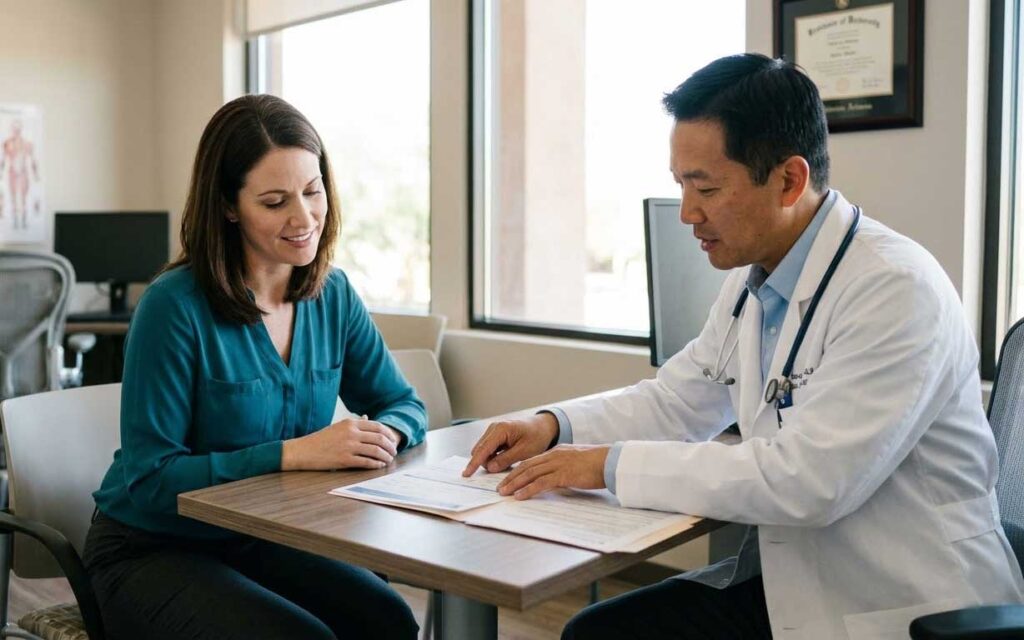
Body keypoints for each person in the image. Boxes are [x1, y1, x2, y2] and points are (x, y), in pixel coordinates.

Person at [463, 53, 1024, 639]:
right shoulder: (753, 278)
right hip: (803, 582)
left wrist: (606, 464)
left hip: (907, 605)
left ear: (789, 180)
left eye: (706, 187)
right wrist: (555, 426)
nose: (687, 213)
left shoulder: (894, 288)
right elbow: (679, 402)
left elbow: (809, 482)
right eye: (680, 185)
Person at [83, 94, 425, 640]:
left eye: (313, 191)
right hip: (151, 549)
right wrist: (296, 454)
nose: (304, 217)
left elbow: (405, 405)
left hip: (261, 539)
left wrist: (382, 435)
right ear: (227, 205)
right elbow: (151, 480)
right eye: (274, 201)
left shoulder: (331, 294)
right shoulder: (173, 307)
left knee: (387, 621)